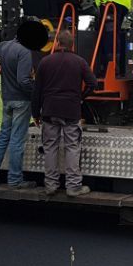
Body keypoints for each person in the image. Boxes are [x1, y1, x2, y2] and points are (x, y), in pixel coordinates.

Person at [0, 21, 46, 188]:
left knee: (3, 138)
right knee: (17, 141)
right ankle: (15, 180)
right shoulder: (25, 52)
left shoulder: (4, 46)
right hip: (22, 101)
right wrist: (36, 94)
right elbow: (23, 81)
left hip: (7, 100)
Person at [32, 30, 97, 198]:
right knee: (72, 147)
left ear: (57, 43)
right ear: (72, 45)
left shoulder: (45, 62)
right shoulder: (79, 62)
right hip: (71, 111)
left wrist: (35, 113)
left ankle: (51, 185)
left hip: (49, 110)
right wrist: (80, 98)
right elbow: (92, 83)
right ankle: (73, 186)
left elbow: (37, 91)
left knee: (50, 148)